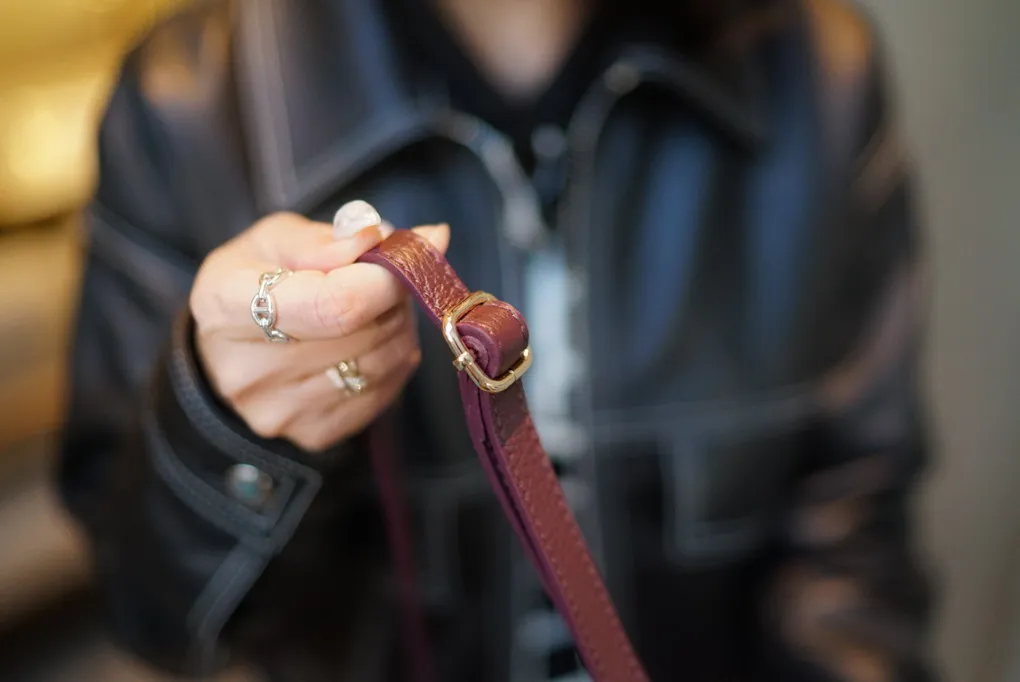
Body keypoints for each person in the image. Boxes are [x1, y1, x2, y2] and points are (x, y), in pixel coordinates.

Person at [59, 0, 937, 679]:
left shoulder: (817, 72)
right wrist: (231, 432)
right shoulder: (188, 105)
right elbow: (158, 619)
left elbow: (852, 552)